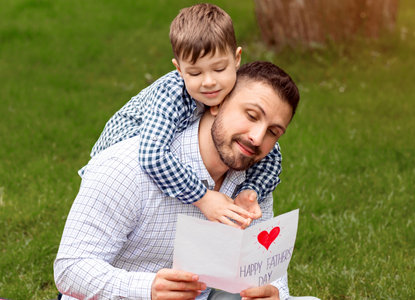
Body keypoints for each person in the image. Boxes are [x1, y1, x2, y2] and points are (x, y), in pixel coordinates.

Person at [54, 61, 312, 300]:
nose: (257, 137)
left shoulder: (252, 182)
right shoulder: (125, 166)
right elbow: (69, 268)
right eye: (252, 115)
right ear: (218, 102)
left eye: (273, 132)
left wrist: (273, 293)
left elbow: (266, 271)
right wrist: (148, 289)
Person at [87, 3, 283, 228]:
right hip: (118, 172)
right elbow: (152, 154)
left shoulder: (238, 88)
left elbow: (271, 154)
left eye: (219, 69)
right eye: (195, 72)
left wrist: (252, 189)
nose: (209, 82)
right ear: (179, 69)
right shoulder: (172, 93)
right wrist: (203, 197)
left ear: (236, 58)